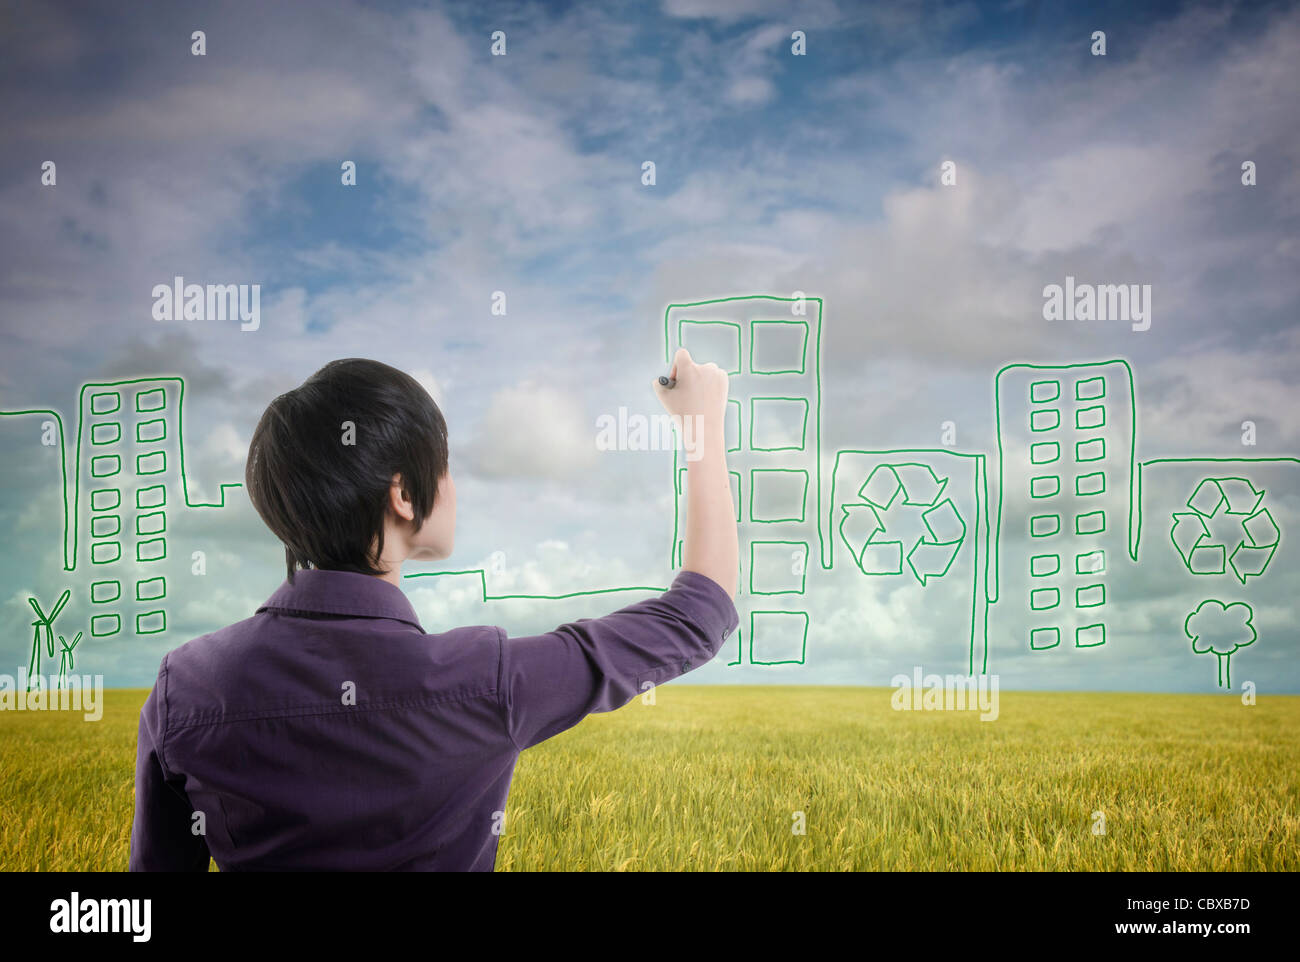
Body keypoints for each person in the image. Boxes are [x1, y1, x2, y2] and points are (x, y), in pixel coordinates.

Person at [129, 351, 738, 870]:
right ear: (403, 493)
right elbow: (698, 613)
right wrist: (702, 430)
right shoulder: (485, 680)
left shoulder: (183, 686)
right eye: (445, 466)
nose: (454, 487)